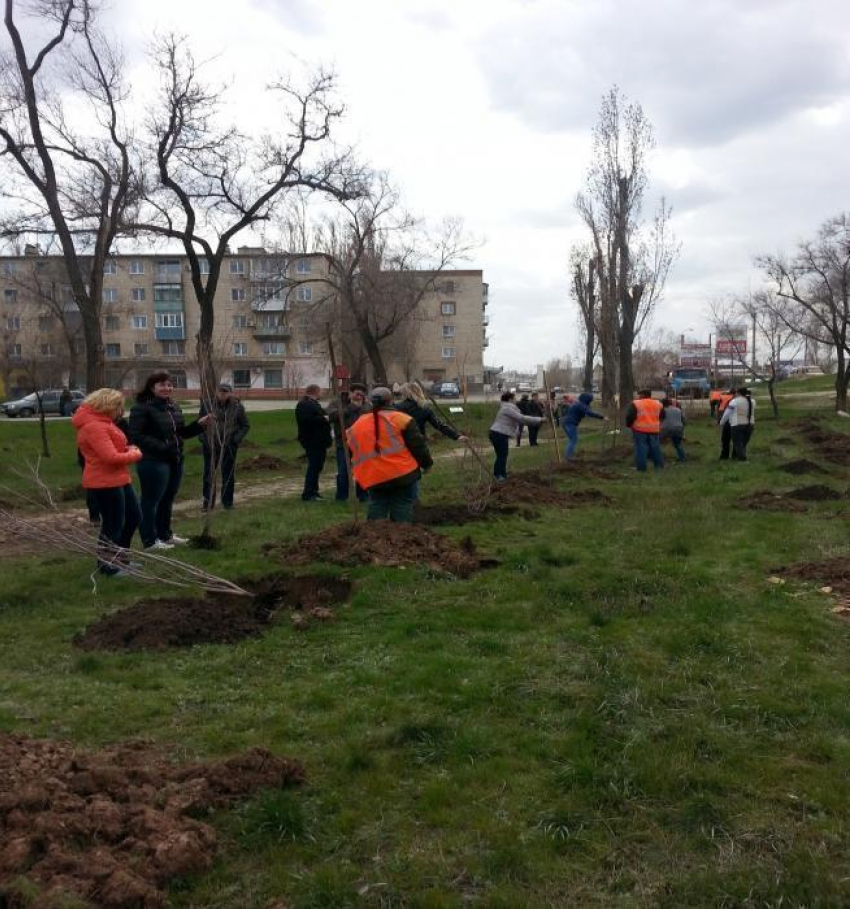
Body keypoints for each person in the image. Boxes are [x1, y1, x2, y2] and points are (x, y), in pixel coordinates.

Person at [129, 371, 212, 550]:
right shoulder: (141, 408)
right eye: (162, 385)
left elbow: (180, 433)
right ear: (152, 388)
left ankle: (165, 535)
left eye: (169, 385)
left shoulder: (173, 407)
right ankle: (149, 541)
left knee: (167, 499)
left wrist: (199, 425)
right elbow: (135, 435)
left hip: (174, 460)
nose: (167, 388)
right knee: (151, 501)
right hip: (153, 461)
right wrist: (163, 446)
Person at [72, 389, 143, 576]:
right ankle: (107, 566)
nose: (121, 411)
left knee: (134, 516)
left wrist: (127, 448)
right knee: (113, 524)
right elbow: (109, 457)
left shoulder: (105, 423)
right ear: (108, 405)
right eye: (119, 407)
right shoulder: (94, 426)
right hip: (104, 482)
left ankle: (120, 558)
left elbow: (114, 447)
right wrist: (134, 453)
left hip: (118, 478)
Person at [347, 386, 433, 522]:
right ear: (391, 400)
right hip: (402, 474)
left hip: (372, 475)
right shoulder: (402, 419)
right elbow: (418, 446)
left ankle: (374, 537)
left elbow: (351, 448)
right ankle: (403, 535)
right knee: (402, 505)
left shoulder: (358, 424)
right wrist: (427, 464)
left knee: (377, 504)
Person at [200, 382, 250, 511]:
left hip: (229, 446)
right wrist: (204, 439)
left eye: (225, 392)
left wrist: (235, 440)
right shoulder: (208, 404)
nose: (222, 394)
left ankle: (227, 502)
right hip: (211, 445)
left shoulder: (237, 407)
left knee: (228, 474)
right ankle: (208, 502)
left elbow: (245, 426)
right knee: (209, 474)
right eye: (220, 391)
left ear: (230, 393)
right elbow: (200, 424)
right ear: (216, 392)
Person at [326, 382, 370, 502]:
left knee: (363, 470)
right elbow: (332, 416)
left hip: (362, 442)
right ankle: (341, 496)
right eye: (356, 394)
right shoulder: (337, 402)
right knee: (343, 471)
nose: (359, 397)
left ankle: (363, 495)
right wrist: (351, 407)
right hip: (343, 442)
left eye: (361, 394)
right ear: (350, 393)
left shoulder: (367, 405)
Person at [489, 391, 544, 481]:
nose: (516, 400)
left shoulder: (506, 407)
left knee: (501, 455)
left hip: (497, 433)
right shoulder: (507, 408)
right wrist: (539, 419)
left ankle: (500, 474)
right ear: (510, 399)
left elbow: (519, 421)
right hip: (499, 434)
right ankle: (499, 476)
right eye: (514, 398)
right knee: (502, 455)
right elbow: (521, 418)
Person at [295, 383, 332, 501]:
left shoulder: (314, 404)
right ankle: (308, 493)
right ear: (315, 391)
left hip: (320, 441)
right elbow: (306, 420)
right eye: (321, 391)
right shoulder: (304, 404)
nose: (322, 393)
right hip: (312, 440)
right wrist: (324, 419)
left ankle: (314, 491)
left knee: (318, 466)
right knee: (314, 466)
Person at [625, 390, 664, 472]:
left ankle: (641, 468)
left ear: (643, 395)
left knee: (641, 449)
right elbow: (663, 415)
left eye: (639, 395)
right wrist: (657, 423)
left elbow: (630, 416)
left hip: (640, 429)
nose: (638, 396)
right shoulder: (658, 403)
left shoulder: (636, 403)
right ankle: (659, 466)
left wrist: (629, 425)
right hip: (654, 429)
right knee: (655, 448)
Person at [562, 392, 606, 459]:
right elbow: (590, 413)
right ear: (587, 400)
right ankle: (568, 457)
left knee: (572, 439)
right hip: (570, 424)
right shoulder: (581, 405)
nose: (590, 402)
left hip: (567, 423)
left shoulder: (579, 404)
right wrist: (602, 417)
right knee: (573, 439)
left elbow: (587, 413)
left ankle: (569, 454)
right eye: (590, 401)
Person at [719, 387, 756, 461]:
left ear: (738, 393)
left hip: (737, 424)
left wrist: (721, 422)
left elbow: (727, 413)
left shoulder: (735, 401)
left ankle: (742, 459)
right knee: (742, 443)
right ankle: (737, 456)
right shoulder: (752, 401)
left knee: (737, 442)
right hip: (750, 424)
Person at [660, 397, 687, 463]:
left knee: (656, 442)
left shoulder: (662, 410)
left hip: (666, 428)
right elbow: (683, 420)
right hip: (678, 428)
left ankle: (657, 457)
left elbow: (659, 420)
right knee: (677, 444)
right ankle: (682, 458)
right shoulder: (678, 409)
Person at [717, 387, 737, 460]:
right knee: (734, 439)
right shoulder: (734, 399)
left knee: (725, 439)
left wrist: (720, 420)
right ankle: (735, 455)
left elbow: (719, 405)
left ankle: (724, 456)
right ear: (735, 393)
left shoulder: (724, 396)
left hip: (722, 413)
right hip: (731, 418)